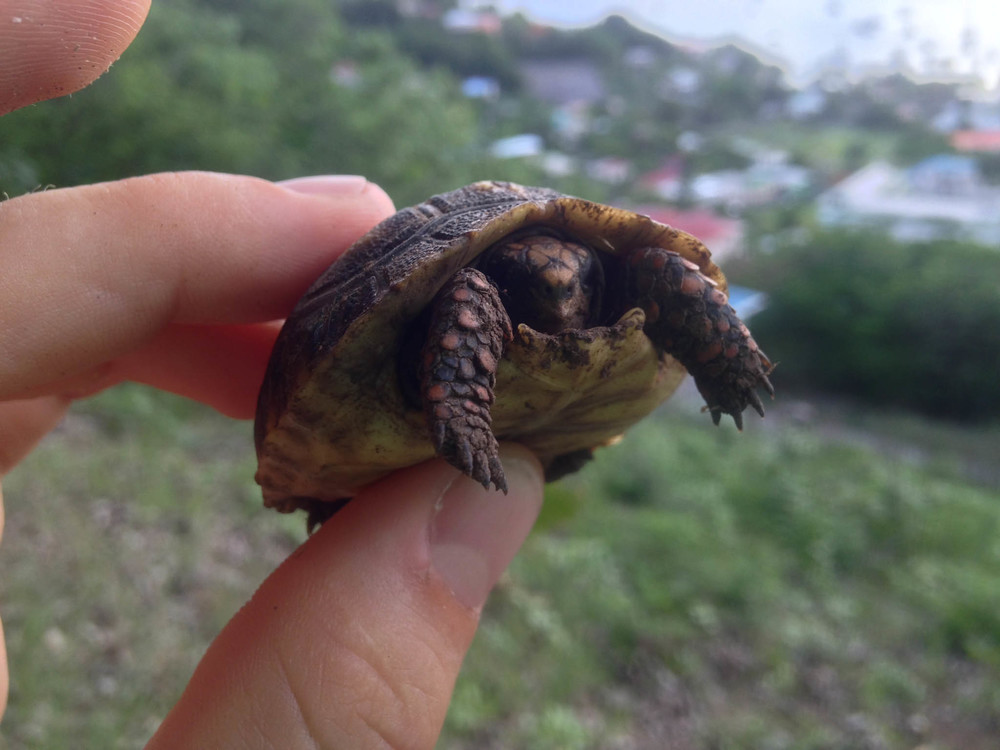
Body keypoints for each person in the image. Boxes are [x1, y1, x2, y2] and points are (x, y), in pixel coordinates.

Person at [0, 1, 545, 746]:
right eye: (539, 276)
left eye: (576, 278)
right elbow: (474, 295)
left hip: (502, 415)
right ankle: (443, 419)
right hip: (384, 388)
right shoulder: (476, 287)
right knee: (470, 303)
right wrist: (460, 404)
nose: (561, 289)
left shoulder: (628, 277)